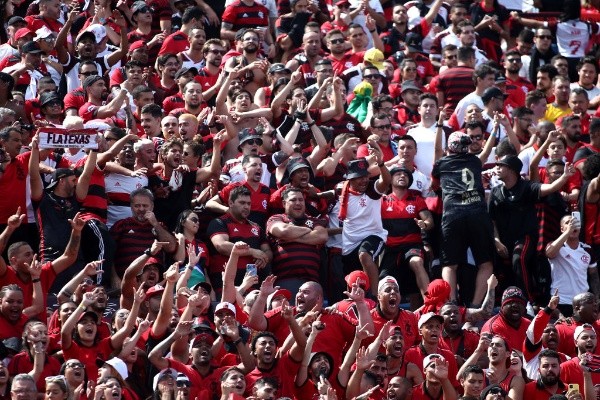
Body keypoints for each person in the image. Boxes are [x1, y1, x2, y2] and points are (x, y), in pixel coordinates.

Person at [432, 126, 496, 305]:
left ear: (450, 147)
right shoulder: (475, 161)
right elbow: (487, 150)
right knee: (486, 262)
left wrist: (439, 125)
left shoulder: (442, 163)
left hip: (453, 215)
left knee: (449, 264)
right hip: (477, 213)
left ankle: (451, 304)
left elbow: (437, 151)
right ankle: (476, 304)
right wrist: (496, 127)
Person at [266, 187, 328, 295]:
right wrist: (308, 230)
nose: (298, 203)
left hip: (312, 282)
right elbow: (283, 231)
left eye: (301, 200)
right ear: (284, 203)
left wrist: (292, 236)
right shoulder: (276, 218)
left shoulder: (314, 220)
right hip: (285, 280)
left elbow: (322, 236)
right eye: (293, 200)